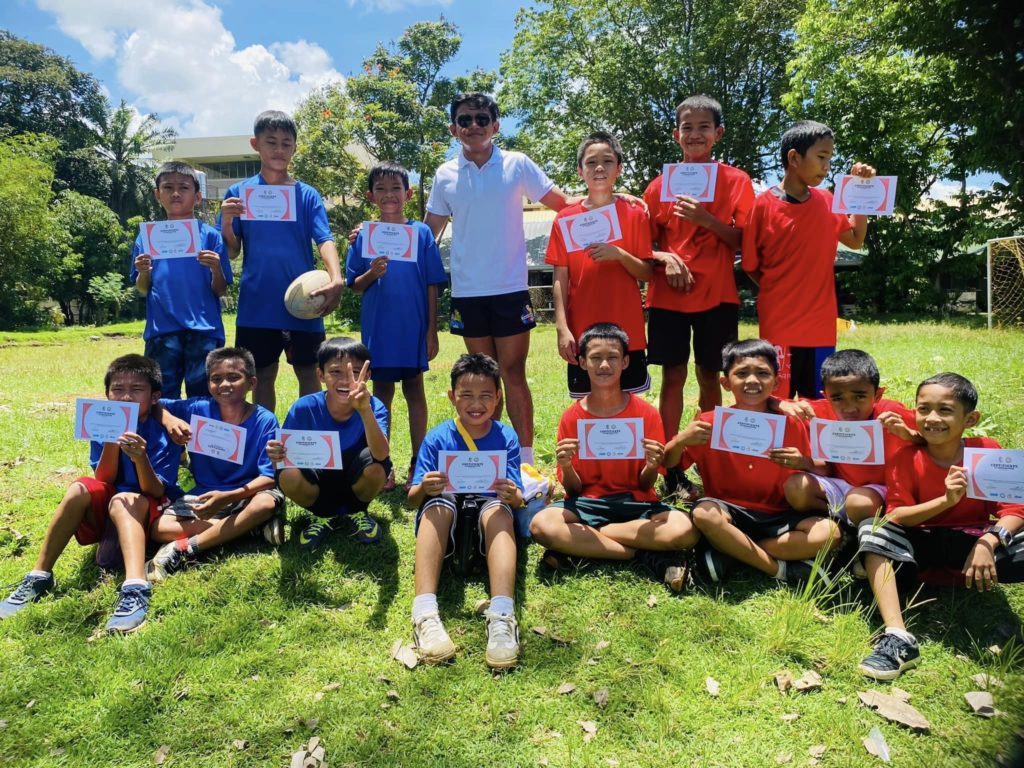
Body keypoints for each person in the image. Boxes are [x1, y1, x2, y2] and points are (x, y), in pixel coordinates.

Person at [424, 92, 576, 466]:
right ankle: (491, 458)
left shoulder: (517, 164)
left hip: (510, 288)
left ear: (495, 126)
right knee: (484, 380)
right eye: (464, 120)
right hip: (468, 292)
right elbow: (427, 235)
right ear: (453, 128)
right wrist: (382, 235)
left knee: (513, 373)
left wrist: (612, 204)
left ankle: (523, 462)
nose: (473, 126)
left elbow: (565, 205)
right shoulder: (444, 174)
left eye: (481, 119)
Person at [856, 373, 1024, 680]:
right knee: (873, 529)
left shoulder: (987, 450)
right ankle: (897, 636)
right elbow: (898, 515)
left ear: (970, 419)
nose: (932, 418)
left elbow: (1013, 509)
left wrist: (988, 542)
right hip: (921, 543)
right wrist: (945, 501)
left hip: (972, 545)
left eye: (945, 410)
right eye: (924, 409)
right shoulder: (905, 456)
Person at [0, 355, 181, 633]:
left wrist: (140, 458)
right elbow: (103, 478)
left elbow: (155, 489)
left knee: (124, 501)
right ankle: (39, 575)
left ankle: (136, 587)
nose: (126, 397)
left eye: (136, 389)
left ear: (154, 396)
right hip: (111, 504)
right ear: (107, 394)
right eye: (117, 389)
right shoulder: (103, 421)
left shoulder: (164, 431)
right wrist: (111, 441)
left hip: (148, 506)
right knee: (79, 488)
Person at [642, 95, 755, 497]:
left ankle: (711, 460)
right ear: (676, 134)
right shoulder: (659, 186)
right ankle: (670, 466)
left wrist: (707, 220)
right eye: (687, 127)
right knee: (672, 376)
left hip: (717, 295)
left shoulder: (736, 181)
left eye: (703, 127)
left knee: (711, 376)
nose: (695, 134)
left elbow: (745, 240)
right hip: (668, 296)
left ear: (718, 133)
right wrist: (666, 257)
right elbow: (643, 245)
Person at [529, 323, 697, 592]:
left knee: (684, 529)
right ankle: (641, 554)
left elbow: (645, 485)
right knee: (542, 526)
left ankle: (590, 543)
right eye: (595, 357)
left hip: (637, 502)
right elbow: (574, 490)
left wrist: (652, 465)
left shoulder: (646, 413)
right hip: (588, 503)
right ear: (582, 362)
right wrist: (566, 466)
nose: (604, 365)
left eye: (613, 357)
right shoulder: (572, 417)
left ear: (625, 362)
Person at [665, 340, 839, 586]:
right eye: (742, 373)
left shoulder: (792, 421)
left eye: (763, 373)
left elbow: (827, 469)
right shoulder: (710, 423)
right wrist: (681, 440)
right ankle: (779, 569)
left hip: (778, 515)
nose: (752, 380)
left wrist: (804, 462)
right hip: (727, 511)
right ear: (725, 383)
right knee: (704, 514)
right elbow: (671, 463)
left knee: (829, 534)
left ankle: (732, 551)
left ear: (776, 383)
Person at [218, 110, 343, 412]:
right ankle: (266, 436)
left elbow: (324, 238)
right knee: (261, 376)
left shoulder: (307, 195)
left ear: (295, 148)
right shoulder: (239, 193)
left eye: (286, 143)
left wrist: (336, 278)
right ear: (255, 144)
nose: (279, 149)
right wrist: (226, 222)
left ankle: (308, 435)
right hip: (257, 304)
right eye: (270, 142)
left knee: (309, 372)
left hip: (305, 300)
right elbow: (232, 251)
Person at [741, 120, 874, 399]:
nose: (827, 166)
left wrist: (860, 191)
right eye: (821, 157)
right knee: (777, 401)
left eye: (830, 159)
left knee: (819, 402)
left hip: (820, 326)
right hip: (779, 326)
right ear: (794, 158)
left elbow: (854, 239)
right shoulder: (763, 206)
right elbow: (751, 265)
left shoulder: (827, 200)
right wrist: (783, 290)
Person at [406, 353, 524, 668]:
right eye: (466, 395)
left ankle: (502, 615)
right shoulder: (437, 437)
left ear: (498, 397)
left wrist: (512, 495)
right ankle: (424, 613)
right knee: (437, 505)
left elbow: (517, 499)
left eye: (485, 395)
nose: (476, 404)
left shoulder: (506, 436)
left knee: (499, 509)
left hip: (487, 519)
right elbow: (413, 499)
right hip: (446, 519)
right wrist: (424, 487)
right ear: (452, 397)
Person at [346, 161, 447, 489]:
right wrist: (371, 273)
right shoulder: (364, 235)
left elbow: (432, 283)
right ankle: (382, 462)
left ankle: (419, 461)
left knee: (415, 389)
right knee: (381, 394)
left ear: (409, 193)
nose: (389, 194)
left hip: (412, 328)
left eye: (396, 188)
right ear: (370, 195)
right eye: (381, 189)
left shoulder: (421, 234)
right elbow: (354, 284)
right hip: (379, 330)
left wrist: (431, 330)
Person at [145, 347, 284, 581]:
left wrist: (228, 497)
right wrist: (169, 420)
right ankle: (248, 528)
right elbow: (155, 404)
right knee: (158, 529)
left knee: (265, 504)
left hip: (249, 493)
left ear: (252, 383)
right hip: (205, 493)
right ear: (208, 383)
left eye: (234, 377)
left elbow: (269, 477)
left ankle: (184, 549)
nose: (224, 384)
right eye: (216, 379)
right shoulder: (198, 409)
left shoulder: (264, 420)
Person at [546, 131, 653, 398]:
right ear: (580, 171)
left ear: (619, 168)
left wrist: (620, 255)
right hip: (583, 329)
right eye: (591, 162)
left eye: (607, 161)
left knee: (631, 405)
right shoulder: (565, 219)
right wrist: (562, 327)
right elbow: (560, 277)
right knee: (586, 406)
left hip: (628, 329)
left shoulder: (635, 213)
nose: (599, 168)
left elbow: (648, 273)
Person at [265, 338, 390, 549]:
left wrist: (364, 410)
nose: (346, 380)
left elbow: (381, 454)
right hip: (318, 481)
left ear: (367, 375)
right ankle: (323, 514)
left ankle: (357, 510)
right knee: (287, 474)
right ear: (321, 375)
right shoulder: (304, 407)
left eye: (355, 372)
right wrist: (277, 455)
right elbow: (285, 459)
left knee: (377, 468)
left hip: (356, 476)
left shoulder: (374, 406)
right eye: (335, 372)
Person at [781, 349, 920, 527]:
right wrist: (779, 403)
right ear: (826, 396)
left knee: (859, 503)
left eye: (859, 397)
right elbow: (768, 402)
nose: (849, 408)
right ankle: (842, 526)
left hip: (879, 489)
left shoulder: (891, 413)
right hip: (840, 486)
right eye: (838, 398)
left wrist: (909, 434)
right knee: (795, 487)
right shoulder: (818, 412)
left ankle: (860, 527)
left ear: (877, 395)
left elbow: (934, 438)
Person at [131, 161, 232, 399]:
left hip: (204, 330)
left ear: (197, 196)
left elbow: (220, 290)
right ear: (157, 195)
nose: (175, 193)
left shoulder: (211, 236)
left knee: (204, 400)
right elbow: (143, 288)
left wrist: (216, 268)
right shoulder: (147, 238)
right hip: (162, 330)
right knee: (162, 399)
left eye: (183, 188)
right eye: (168, 187)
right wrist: (143, 271)